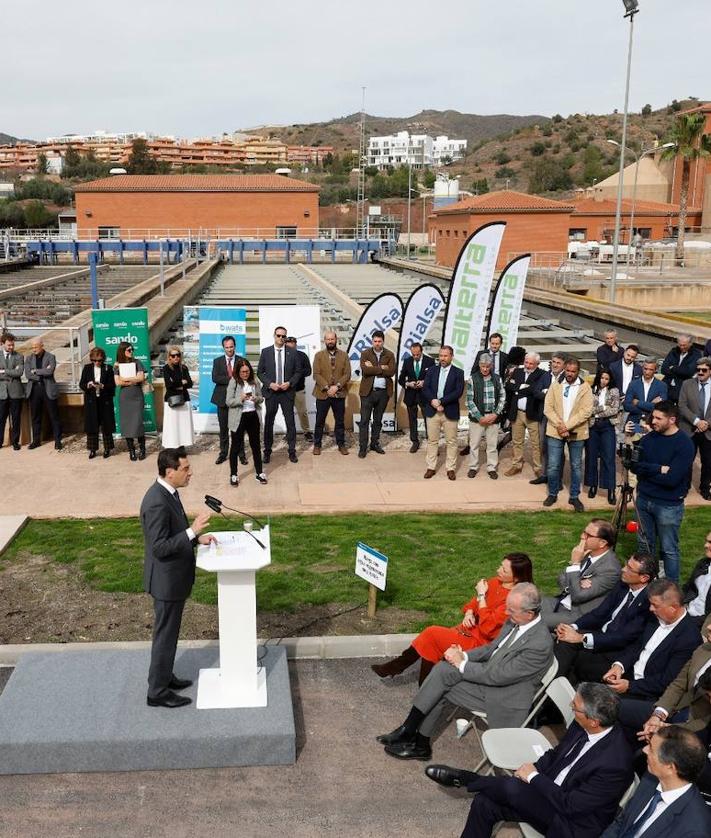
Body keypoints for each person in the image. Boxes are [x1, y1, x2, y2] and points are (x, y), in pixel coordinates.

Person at [428, 683, 634, 838]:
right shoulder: (583, 724)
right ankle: (471, 781)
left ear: (594, 721)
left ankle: (466, 779)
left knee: (512, 788)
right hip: (550, 793)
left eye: (576, 706)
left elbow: (571, 806)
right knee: (485, 802)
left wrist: (533, 778)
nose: (571, 705)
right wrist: (535, 769)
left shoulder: (615, 764)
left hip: (570, 823)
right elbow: (556, 754)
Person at [376, 583, 554, 761]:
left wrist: (461, 663)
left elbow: (497, 676)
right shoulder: (517, 620)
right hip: (490, 680)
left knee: (441, 682)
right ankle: (413, 736)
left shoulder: (539, 644)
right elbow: (490, 649)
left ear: (529, 614)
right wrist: (463, 655)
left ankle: (413, 735)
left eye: (511, 610)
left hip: (504, 697)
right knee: (443, 671)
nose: (506, 613)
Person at [371, 553, 533, 685]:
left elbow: (488, 627)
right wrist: (469, 612)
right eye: (500, 566)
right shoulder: (495, 582)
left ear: (517, 578)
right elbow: (473, 602)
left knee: (431, 634)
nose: (498, 570)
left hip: (480, 642)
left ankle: (401, 669)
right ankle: (419, 682)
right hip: (468, 629)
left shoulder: (514, 600)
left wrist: (482, 595)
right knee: (431, 642)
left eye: (504, 570)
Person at [140, 446, 215, 708]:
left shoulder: (168, 492)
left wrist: (196, 537)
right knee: (165, 636)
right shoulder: (156, 502)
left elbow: (175, 532)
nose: (190, 473)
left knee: (169, 635)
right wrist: (191, 532)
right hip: (166, 582)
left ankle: (164, 677)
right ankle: (157, 692)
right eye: (185, 469)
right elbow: (160, 547)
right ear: (169, 472)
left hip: (172, 579)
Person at [554, 552, 657, 683]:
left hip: (616, 651)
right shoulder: (623, 584)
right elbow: (599, 613)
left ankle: (551, 690)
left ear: (644, 578)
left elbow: (623, 637)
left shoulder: (649, 602)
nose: (623, 569)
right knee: (564, 639)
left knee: (577, 661)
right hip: (600, 636)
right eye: (626, 564)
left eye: (630, 569)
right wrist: (573, 627)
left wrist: (580, 638)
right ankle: (553, 689)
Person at [601, 726, 711, 837]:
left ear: (670, 767)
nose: (645, 750)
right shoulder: (651, 778)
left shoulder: (695, 830)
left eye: (651, 748)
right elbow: (622, 822)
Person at [629, 401, 696, 582]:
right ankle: (645, 582)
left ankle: (670, 588)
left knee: (669, 549)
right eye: (653, 417)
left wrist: (646, 472)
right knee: (644, 545)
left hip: (668, 505)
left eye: (658, 418)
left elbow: (672, 480)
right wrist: (659, 469)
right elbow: (635, 467)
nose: (653, 421)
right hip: (644, 500)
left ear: (672, 420)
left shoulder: (685, 444)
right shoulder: (648, 439)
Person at [602, 580, 700, 703]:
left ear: (673, 608)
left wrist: (630, 686)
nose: (650, 608)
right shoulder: (654, 618)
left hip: (647, 694)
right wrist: (619, 666)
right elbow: (637, 646)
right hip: (627, 675)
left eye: (655, 605)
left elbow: (667, 680)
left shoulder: (689, 638)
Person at [621, 615, 711, 744]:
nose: (708, 626)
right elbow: (678, 684)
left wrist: (670, 729)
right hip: (672, 708)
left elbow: (705, 724)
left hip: (695, 729)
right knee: (613, 707)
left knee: (644, 755)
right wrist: (658, 714)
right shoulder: (703, 649)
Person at [540, 518, 621, 629]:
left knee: (531, 621)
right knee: (524, 605)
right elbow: (560, 577)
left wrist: (575, 564)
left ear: (602, 543)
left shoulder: (610, 569)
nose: (582, 537)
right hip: (561, 601)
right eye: (584, 532)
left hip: (577, 614)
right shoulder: (586, 553)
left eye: (588, 535)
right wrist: (576, 584)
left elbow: (578, 596)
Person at [543, 357, 594, 511]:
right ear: (564, 370)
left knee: (576, 466)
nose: (570, 374)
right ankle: (552, 493)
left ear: (578, 372)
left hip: (576, 432)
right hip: (555, 431)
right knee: (552, 466)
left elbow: (586, 411)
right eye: (568, 371)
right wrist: (560, 425)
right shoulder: (555, 385)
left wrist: (567, 426)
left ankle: (574, 497)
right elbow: (548, 408)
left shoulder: (585, 387)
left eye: (573, 371)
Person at [257, 325, 300, 464]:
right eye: (278, 335)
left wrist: (290, 383)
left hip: (287, 393)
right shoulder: (266, 352)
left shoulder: (293, 353)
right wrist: (270, 384)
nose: (281, 338)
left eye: (283, 336)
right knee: (269, 423)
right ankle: (267, 452)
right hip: (272, 393)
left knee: (290, 423)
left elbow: (298, 372)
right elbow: (259, 372)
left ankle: (292, 451)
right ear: (274, 336)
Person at [422, 345, 465, 480]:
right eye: (441, 355)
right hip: (432, 411)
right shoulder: (431, 371)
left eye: (445, 356)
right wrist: (433, 401)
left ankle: (450, 468)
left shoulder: (459, 372)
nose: (442, 358)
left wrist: (441, 402)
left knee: (451, 441)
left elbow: (458, 392)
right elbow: (426, 388)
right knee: (432, 440)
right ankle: (431, 467)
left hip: (449, 411)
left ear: (451, 356)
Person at [503, 351, 547, 479]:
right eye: (526, 362)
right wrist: (523, 387)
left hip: (532, 413)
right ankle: (516, 464)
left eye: (531, 363)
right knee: (517, 441)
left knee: (536, 443)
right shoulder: (518, 372)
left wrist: (519, 388)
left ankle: (538, 468)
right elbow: (508, 386)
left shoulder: (542, 375)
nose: (527, 365)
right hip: (517, 412)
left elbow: (535, 390)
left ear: (537, 364)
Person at [225, 358, 267, 486]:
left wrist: (256, 399)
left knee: (256, 446)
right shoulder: (234, 382)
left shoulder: (255, 381)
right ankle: (233, 474)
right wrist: (240, 398)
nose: (245, 374)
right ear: (238, 372)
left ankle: (259, 473)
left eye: (247, 371)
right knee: (235, 447)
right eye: (243, 372)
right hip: (239, 417)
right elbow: (228, 401)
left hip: (252, 416)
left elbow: (261, 398)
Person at [465, 353, 505, 479]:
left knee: (492, 445)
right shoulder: (473, 378)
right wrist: (479, 417)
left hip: (493, 417)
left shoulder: (497, 379)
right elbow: (469, 401)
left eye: (487, 366)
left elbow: (502, 397)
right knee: (474, 444)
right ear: (479, 365)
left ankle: (491, 467)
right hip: (477, 419)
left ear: (491, 366)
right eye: (483, 366)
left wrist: (495, 414)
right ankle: (473, 467)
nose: (485, 369)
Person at [357, 330, 396, 458]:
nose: (377, 343)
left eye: (379, 341)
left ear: (383, 341)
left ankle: (374, 443)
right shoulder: (365, 353)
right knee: (364, 421)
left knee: (378, 420)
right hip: (368, 393)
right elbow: (365, 371)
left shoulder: (389, 354)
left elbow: (391, 372)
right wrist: (381, 368)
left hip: (383, 393)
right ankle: (363, 447)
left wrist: (373, 367)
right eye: (375, 341)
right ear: (372, 341)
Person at [311, 330, 350, 456]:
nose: (330, 341)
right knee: (319, 421)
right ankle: (317, 445)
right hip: (323, 393)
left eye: (332, 339)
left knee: (339, 421)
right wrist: (328, 388)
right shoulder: (318, 355)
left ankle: (341, 444)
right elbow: (316, 374)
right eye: (328, 339)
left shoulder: (344, 355)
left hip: (339, 394)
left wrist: (337, 387)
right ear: (324, 341)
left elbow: (347, 374)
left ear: (336, 339)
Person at [584, 368, 620, 504]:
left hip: (607, 426)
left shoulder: (614, 391)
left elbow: (615, 409)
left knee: (609, 457)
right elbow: (588, 409)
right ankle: (592, 485)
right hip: (593, 426)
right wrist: (603, 408)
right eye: (602, 378)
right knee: (591, 456)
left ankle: (610, 490)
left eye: (606, 378)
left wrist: (598, 412)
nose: (604, 381)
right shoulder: (591, 389)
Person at [678, 356, 711, 501]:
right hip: (689, 430)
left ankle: (705, 488)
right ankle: (684, 488)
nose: (701, 372)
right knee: (686, 460)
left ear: (710, 371)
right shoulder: (687, 384)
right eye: (698, 370)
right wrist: (697, 422)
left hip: (709, 431)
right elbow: (681, 406)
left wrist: (707, 424)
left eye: (704, 370)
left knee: (708, 462)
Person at [211, 335, 244, 466]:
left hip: (237, 400)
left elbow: (245, 376)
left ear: (235, 346)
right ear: (223, 348)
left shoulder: (242, 361)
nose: (229, 349)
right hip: (222, 400)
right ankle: (223, 453)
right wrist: (232, 379)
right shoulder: (217, 361)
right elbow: (215, 378)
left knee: (237, 429)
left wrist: (235, 379)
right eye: (227, 347)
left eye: (231, 347)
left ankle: (241, 454)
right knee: (223, 429)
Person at [78, 347, 116, 459]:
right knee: (92, 425)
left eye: (99, 360)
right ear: (91, 359)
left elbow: (113, 385)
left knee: (106, 425)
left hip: (105, 401)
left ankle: (107, 448)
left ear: (103, 359)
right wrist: (88, 385)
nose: (97, 362)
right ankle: (92, 450)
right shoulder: (87, 368)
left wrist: (102, 386)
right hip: (91, 401)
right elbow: (81, 384)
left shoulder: (108, 368)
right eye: (94, 360)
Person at [25, 338, 62, 450]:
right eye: (32, 347)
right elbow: (27, 374)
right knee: (35, 416)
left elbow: (50, 371)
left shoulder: (51, 357)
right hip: (35, 390)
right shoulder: (29, 358)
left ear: (42, 346)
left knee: (54, 416)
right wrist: (42, 371)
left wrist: (35, 371)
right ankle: (36, 441)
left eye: (36, 346)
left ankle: (58, 441)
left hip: (48, 389)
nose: (34, 349)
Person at [398, 342, 434, 453]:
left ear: (421, 351)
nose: (415, 357)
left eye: (417, 354)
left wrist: (424, 382)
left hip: (425, 396)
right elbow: (401, 379)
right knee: (412, 419)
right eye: (413, 354)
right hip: (411, 395)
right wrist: (408, 384)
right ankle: (415, 441)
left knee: (428, 419)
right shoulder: (407, 361)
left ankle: (431, 443)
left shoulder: (430, 361)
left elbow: (434, 378)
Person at [113, 341, 146, 461]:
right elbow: (118, 382)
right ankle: (131, 450)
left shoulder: (137, 362)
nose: (131, 352)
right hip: (125, 396)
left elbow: (141, 378)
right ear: (122, 351)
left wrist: (127, 379)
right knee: (127, 424)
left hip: (136, 395)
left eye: (132, 349)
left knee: (138, 423)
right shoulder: (117, 366)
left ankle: (142, 449)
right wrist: (133, 379)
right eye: (129, 350)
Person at [161, 346, 194, 449]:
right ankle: (172, 446)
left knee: (183, 425)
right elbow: (169, 385)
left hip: (184, 399)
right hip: (171, 400)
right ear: (169, 357)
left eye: (178, 355)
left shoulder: (184, 368)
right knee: (172, 425)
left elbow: (190, 383)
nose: (176, 357)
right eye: (173, 355)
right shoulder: (166, 368)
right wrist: (181, 383)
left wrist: (177, 384)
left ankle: (182, 446)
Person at [624, 358, 667, 432]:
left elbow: (661, 408)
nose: (647, 372)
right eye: (645, 369)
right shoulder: (633, 384)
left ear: (655, 370)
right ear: (642, 368)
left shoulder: (662, 386)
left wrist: (638, 403)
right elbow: (627, 406)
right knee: (632, 443)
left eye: (650, 370)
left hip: (652, 423)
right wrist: (650, 406)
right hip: (634, 423)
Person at [285, 336, 313, 441]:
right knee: (288, 413)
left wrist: (298, 373)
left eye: (292, 344)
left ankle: (307, 432)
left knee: (302, 412)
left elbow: (309, 371)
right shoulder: (282, 356)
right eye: (288, 344)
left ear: (295, 345)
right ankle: (290, 433)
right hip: (285, 390)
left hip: (299, 389)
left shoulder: (302, 356)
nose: (290, 346)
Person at [661, 334, 702, 404]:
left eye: (684, 345)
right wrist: (680, 371)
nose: (682, 347)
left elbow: (689, 372)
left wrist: (673, 368)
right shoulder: (673, 351)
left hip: (681, 388)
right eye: (680, 345)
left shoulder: (696, 354)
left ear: (690, 344)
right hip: (667, 385)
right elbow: (664, 369)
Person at [0, 333, 24, 451]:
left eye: (13, 345)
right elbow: (14, 372)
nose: (11, 347)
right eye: (9, 345)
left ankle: (15, 442)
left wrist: (3, 371)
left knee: (16, 419)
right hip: (2, 393)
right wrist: (11, 372)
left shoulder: (19, 356)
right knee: (1, 418)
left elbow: (19, 373)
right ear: (2, 344)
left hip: (16, 392)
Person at [682, 531, 711, 625]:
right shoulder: (703, 563)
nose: (705, 545)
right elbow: (688, 588)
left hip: (703, 622)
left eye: (710, 543)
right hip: (686, 610)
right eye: (706, 541)